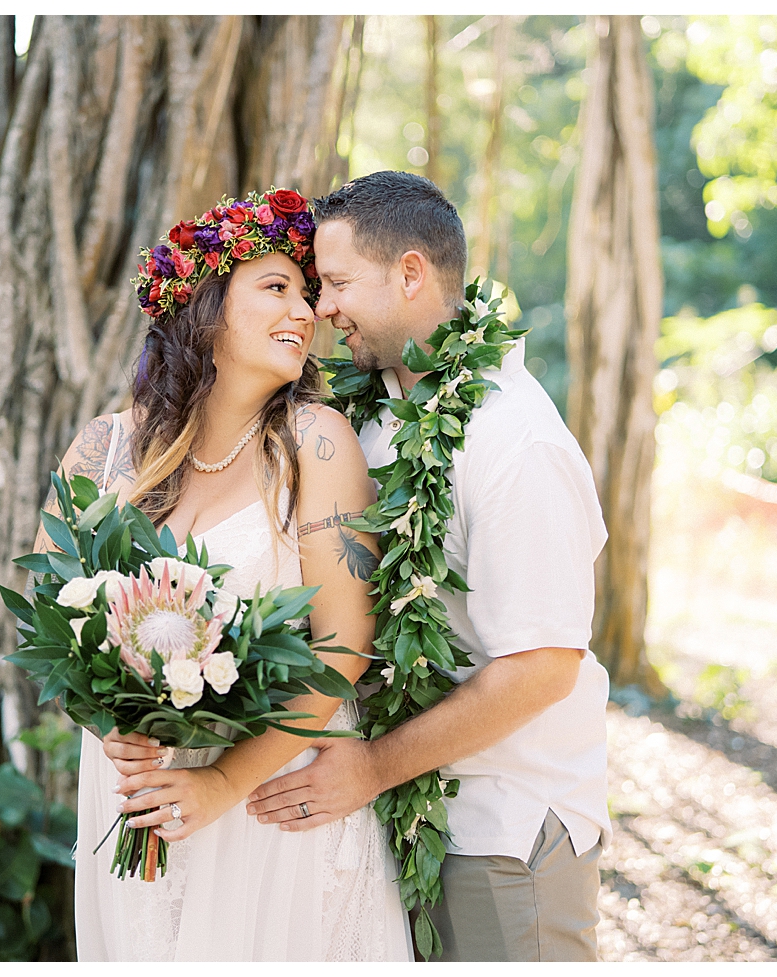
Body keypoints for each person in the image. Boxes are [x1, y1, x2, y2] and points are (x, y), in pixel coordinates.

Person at [33, 188, 412, 961]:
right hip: (139, 797)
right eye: (277, 287)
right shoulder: (102, 450)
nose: (305, 311)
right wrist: (114, 727)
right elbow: (52, 622)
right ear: (204, 306)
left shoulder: (315, 442)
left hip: (270, 807)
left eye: (309, 294)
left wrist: (220, 784)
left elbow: (344, 650)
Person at [245, 170, 612, 962]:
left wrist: (372, 766)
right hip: (403, 820)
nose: (322, 307)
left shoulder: (516, 444)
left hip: (502, 830)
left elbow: (543, 665)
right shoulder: (367, 414)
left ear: (411, 273)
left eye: (337, 282)